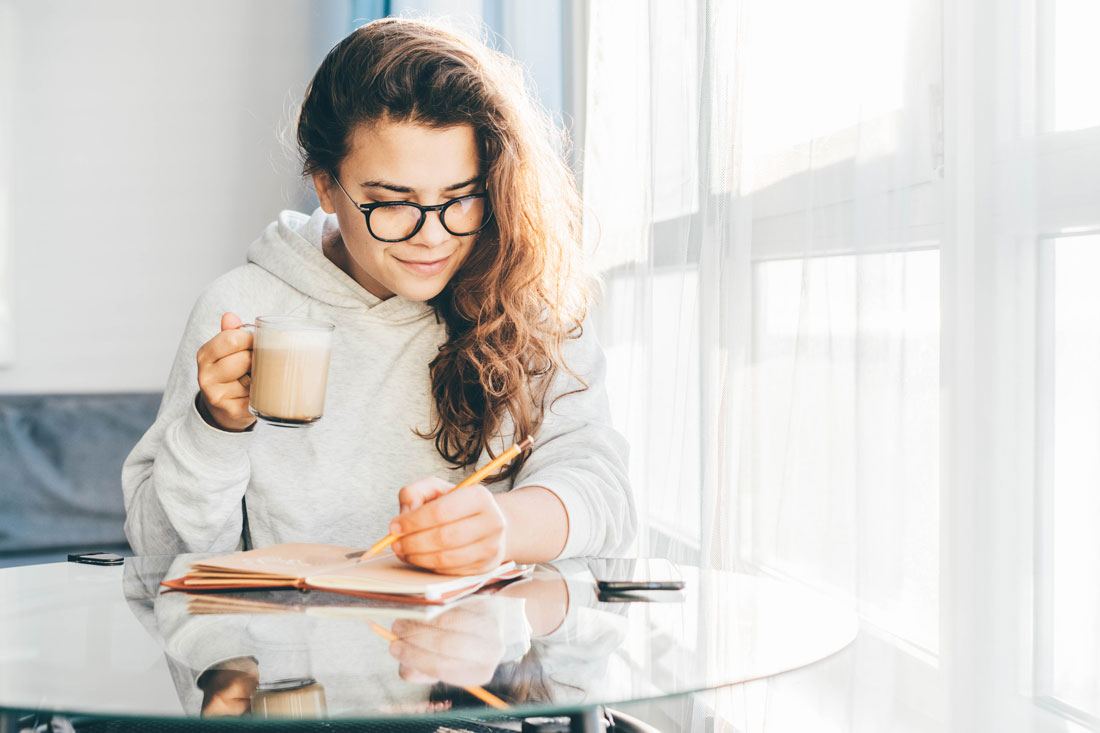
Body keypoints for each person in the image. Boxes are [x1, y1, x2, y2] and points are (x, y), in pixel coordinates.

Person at [121, 17, 636, 573]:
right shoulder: (243, 308)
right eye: (392, 201)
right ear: (324, 184)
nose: (432, 235)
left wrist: (504, 527)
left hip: (476, 651)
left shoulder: (527, 300)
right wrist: (214, 427)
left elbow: (606, 497)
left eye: (461, 197)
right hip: (289, 649)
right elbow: (157, 556)